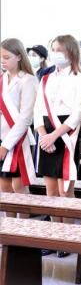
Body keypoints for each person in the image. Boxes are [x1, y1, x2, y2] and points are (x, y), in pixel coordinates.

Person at [33, 34, 81, 199]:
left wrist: (54, 136)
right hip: (46, 133)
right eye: (53, 49)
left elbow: (79, 113)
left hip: (67, 134)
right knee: (50, 192)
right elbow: (37, 110)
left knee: (65, 192)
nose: (55, 53)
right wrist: (44, 136)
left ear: (71, 52)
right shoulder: (45, 79)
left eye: (60, 50)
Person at [0, 38, 37, 195]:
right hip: (1, 136)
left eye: (6, 57)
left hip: (18, 139)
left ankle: (25, 213)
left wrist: (5, 145)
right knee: (4, 186)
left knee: (19, 187)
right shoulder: (1, 79)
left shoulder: (28, 80)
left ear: (19, 57)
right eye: (1, 57)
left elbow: (25, 117)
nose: (2, 61)